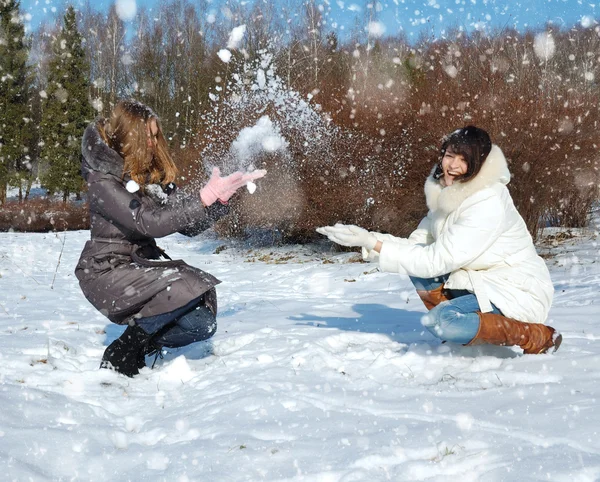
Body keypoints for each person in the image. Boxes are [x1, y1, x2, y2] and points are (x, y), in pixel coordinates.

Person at [318, 126, 561, 354]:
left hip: (513, 288)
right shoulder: (448, 193)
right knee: (416, 266)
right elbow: (418, 246)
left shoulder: (487, 202)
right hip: (476, 281)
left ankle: (535, 335)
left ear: (479, 163)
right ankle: (464, 331)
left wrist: (375, 244)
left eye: (464, 160)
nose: (453, 165)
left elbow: (436, 260)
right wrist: (367, 238)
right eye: (450, 155)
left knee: (440, 322)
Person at [75, 99, 266, 377]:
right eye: (148, 136)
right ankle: (122, 352)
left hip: (139, 268)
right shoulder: (103, 181)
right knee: (185, 284)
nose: (153, 142)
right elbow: (147, 222)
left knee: (202, 322)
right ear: (130, 136)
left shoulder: (149, 177)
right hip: (106, 271)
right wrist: (203, 198)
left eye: (155, 136)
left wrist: (218, 202)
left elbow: (186, 223)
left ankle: (140, 344)